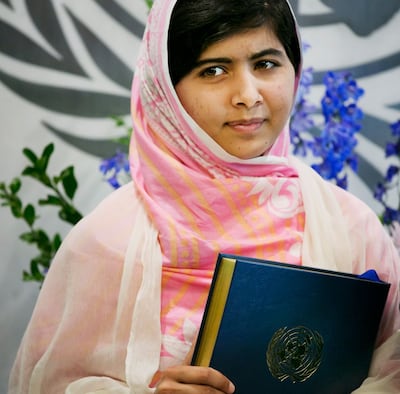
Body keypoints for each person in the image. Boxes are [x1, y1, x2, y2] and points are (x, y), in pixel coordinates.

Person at [8, 0, 400, 392]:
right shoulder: (106, 241)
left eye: (266, 64)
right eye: (213, 70)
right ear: (165, 89)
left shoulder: (350, 227)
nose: (247, 95)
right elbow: (45, 384)